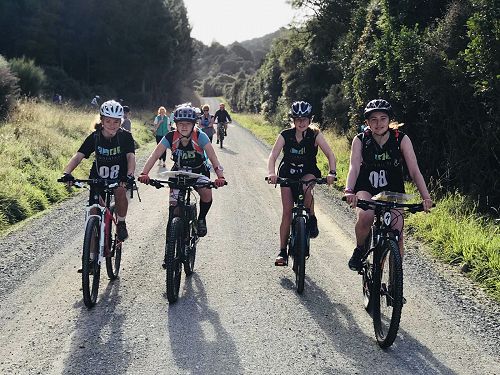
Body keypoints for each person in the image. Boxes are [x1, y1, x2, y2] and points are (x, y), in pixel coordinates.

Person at [344, 99, 433, 271]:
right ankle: (360, 248)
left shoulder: (401, 139)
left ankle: (395, 284)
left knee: (397, 233)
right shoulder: (361, 139)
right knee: (366, 216)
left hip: (393, 190)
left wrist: (426, 197)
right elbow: (354, 167)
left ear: (390, 120)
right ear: (367, 122)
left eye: (383, 118)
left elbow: (414, 170)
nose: (379, 123)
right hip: (366, 187)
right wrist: (349, 190)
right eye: (374, 120)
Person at [138, 104, 226, 237]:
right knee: (174, 209)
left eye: (188, 124)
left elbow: (213, 157)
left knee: (207, 194)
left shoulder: (200, 137)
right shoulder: (170, 137)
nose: (184, 127)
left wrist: (220, 176)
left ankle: (201, 219)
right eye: (180, 124)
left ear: (193, 124)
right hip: (178, 172)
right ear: (175, 124)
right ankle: (171, 241)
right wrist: (144, 173)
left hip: (198, 171)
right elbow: (155, 155)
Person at [267, 101, 337, 266]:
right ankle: (282, 251)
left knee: (306, 187)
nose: (301, 122)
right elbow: (273, 156)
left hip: (308, 171)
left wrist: (332, 172)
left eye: (304, 118)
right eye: (297, 119)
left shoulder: (315, 134)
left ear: (310, 119)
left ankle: (311, 218)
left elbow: (330, 154)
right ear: (293, 119)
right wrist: (271, 173)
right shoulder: (285, 135)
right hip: (287, 173)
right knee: (286, 212)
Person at [59, 99, 136, 244]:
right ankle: (91, 260)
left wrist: (130, 175)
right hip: (98, 176)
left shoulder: (125, 136)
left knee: (120, 191)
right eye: (108, 121)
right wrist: (67, 173)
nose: (112, 125)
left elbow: (131, 157)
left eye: (116, 122)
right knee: (94, 214)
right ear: (101, 121)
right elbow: (79, 156)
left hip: (120, 176)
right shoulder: (95, 137)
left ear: (120, 122)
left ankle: (121, 223)